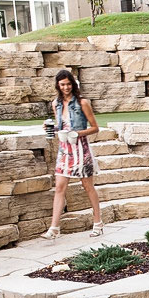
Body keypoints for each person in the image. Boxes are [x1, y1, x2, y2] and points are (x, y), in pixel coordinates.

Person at [42, 70, 103, 240]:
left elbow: (95, 127)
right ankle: (54, 228)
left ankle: (98, 223)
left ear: (73, 84)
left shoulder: (83, 103)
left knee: (87, 186)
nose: (66, 87)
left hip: (80, 149)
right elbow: (62, 127)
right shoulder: (56, 104)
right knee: (60, 187)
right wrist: (51, 128)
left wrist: (78, 133)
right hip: (64, 150)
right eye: (62, 84)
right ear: (58, 86)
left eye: (68, 84)